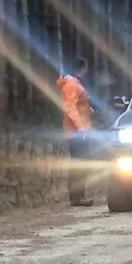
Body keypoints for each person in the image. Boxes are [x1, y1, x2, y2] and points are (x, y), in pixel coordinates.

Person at [58, 57, 94, 207]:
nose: (87, 71)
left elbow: (77, 105)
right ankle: (77, 197)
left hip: (77, 131)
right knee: (80, 163)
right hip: (77, 132)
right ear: (82, 68)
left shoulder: (73, 83)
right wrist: (80, 127)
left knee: (79, 163)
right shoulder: (72, 84)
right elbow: (70, 108)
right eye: (86, 68)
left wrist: (88, 109)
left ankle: (77, 196)